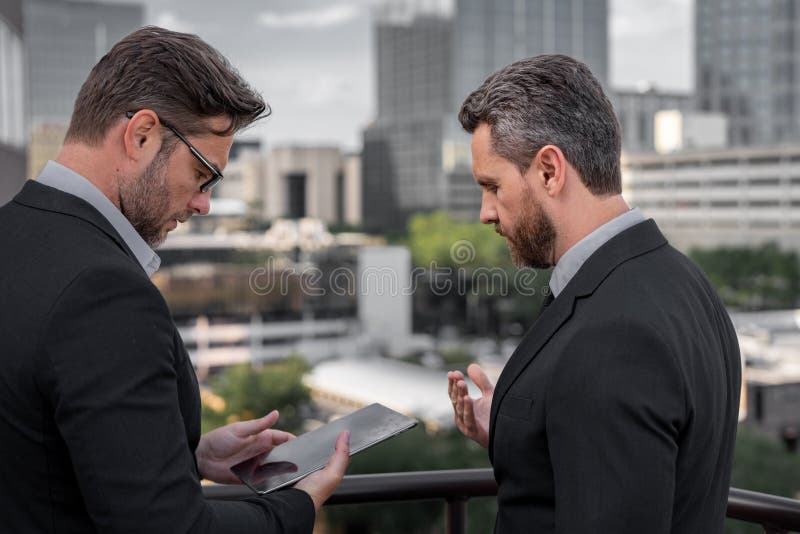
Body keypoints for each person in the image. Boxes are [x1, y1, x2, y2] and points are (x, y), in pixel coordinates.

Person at [0, 26, 349, 533]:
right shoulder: (104, 292)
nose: (204, 203)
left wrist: (183, 454)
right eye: (202, 172)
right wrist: (296, 506)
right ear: (141, 135)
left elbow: (31, 448)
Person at [447, 55, 741, 533]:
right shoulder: (685, 281)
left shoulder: (613, 337)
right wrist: (518, 428)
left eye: (492, 186)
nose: (485, 212)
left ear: (549, 170)